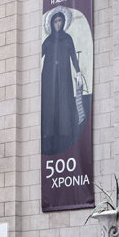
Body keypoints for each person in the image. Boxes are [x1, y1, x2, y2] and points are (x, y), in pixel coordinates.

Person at [41, 11, 83, 155]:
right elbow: (37, 55)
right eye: (55, 21)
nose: (57, 24)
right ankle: (49, 138)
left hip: (63, 78)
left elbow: (73, 56)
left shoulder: (67, 39)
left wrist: (78, 72)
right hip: (49, 79)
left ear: (64, 22)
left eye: (60, 21)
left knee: (64, 105)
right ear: (51, 24)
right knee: (50, 107)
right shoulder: (48, 40)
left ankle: (64, 138)